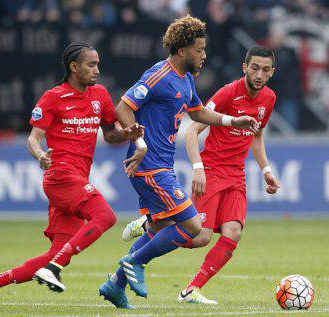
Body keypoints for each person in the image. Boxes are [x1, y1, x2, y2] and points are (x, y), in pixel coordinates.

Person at [98, 15, 259, 309]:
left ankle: (115, 285)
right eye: (199, 49)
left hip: (162, 167)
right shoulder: (159, 75)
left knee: (159, 230)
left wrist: (233, 119)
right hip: (150, 167)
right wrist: (140, 143)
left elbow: (198, 113)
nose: (204, 55)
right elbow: (123, 106)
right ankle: (134, 262)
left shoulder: (185, 79)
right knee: (194, 226)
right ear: (182, 50)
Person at [0, 42, 144, 312]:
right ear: (74, 67)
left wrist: (128, 134)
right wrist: (40, 155)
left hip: (76, 180)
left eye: (98, 63)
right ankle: (54, 268)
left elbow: (110, 134)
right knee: (105, 216)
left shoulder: (100, 94)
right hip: (61, 176)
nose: (97, 69)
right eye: (91, 64)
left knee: (57, 252)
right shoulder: (53, 97)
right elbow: (33, 138)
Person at [123, 45, 281, 304]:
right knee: (200, 237)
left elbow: (258, 134)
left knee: (233, 233)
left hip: (237, 176)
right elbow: (193, 131)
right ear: (244, 68)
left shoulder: (269, 99)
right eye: (254, 68)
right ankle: (152, 224)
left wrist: (266, 171)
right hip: (213, 171)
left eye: (265, 70)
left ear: (272, 72)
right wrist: (199, 169)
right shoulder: (229, 92)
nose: (259, 74)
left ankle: (190, 290)